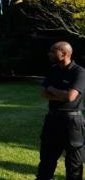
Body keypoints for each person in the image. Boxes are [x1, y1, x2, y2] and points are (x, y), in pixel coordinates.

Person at [36, 41, 85, 180]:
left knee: (74, 161)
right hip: (52, 119)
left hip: (72, 122)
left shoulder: (79, 72)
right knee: (46, 158)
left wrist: (51, 89)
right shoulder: (53, 70)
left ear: (64, 54)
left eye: (53, 51)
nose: (49, 53)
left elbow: (70, 97)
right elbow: (43, 93)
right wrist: (60, 94)